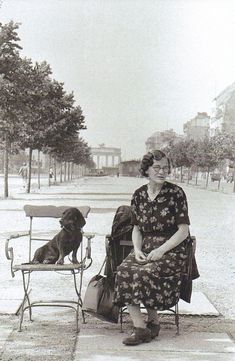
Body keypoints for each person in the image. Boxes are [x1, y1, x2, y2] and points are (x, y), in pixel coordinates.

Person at [113, 150, 191, 346]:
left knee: (145, 273)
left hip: (172, 249)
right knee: (124, 271)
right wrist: (137, 250)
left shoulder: (176, 193)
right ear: (146, 169)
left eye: (165, 168)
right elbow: (137, 229)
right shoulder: (139, 195)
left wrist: (161, 250)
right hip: (146, 247)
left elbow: (184, 231)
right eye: (157, 167)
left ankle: (144, 328)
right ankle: (146, 326)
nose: (162, 171)